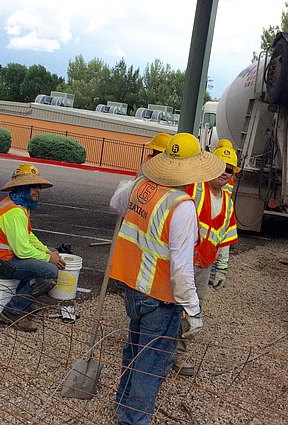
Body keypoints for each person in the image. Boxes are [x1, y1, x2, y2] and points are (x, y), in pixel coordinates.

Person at [109, 132, 225, 425]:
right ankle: (133, 420)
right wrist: (193, 310)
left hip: (133, 288)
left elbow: (117, 204)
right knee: (152, 362)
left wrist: (135, 179)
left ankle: (123, 405)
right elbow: (182, 268)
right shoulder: (182, 205)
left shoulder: (141, 186)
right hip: (159, 297)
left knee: (134, 349)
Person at [173, 145, 239, 376]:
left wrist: (222, 268)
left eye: (229, 170)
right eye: (221, 167)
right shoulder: (193, 186)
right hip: (181, 257)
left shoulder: (228, 201)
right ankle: (157, 348)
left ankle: (179, 354)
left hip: (203, 263)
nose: (224, 173)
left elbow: (225, 238)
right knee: (169, 302)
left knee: (193, 307)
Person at [0, 162, 66, 332]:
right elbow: (22, 250)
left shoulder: (18, 205)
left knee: (40, 263)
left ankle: (22, 301)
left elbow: (28, 236)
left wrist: (47, 250)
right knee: (50, 272)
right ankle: (13, 311)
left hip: (1, 258)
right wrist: (48, 258)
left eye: (38, 186)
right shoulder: (14, 211)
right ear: (21, 188)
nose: (38, 190)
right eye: (33, 186)